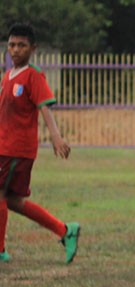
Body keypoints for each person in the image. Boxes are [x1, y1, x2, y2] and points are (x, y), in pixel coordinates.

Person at [0, 23, 80, 264]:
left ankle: (0, 249)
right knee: (12, 201)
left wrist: (55, 136)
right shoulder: (8, 75)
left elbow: (44, 106)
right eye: (12, 45)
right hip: (5, 147)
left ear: (32, 48)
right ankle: (65, 230)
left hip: (16, 149)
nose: (15, 50)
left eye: (21, 45)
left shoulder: (33, 75)